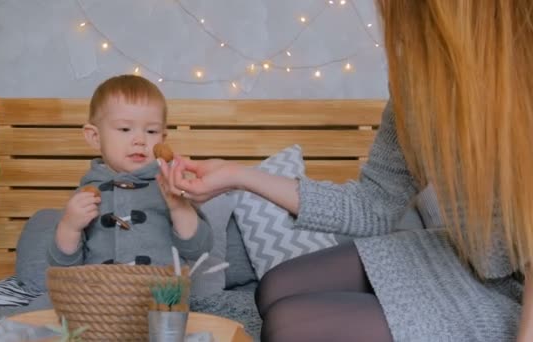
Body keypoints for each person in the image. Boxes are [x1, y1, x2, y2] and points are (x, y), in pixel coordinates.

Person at [157, 1, 532, 341]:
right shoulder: (421, 81)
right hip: (463, 257)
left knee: (291, 325)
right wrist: (238, 176)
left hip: (517, 291)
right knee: (273, 288)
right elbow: (374, 206)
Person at [48, 75, 212, 268]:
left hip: (161, 294)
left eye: (151, 131)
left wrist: (179, 207)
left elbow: (199, 250)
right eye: (125, 129)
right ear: (95, 137)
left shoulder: (169, 185)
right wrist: (70, 227)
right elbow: (62, 265)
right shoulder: (87, 193)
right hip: (101, 293)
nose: (140, 140)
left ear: (163, 138)